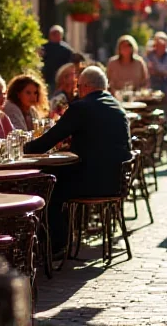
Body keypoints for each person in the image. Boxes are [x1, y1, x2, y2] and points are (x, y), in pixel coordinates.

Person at [23, 67, 131, 255]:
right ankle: (64, 238)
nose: (77, 91)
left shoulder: (82, 107)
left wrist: (24, 150)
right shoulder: (117, 106)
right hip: (116, 182)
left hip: (92, 183)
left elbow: (51, 138)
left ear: (85, 87)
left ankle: (57, 245)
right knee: (59, 178)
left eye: (78, 87)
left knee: (48, 185)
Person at [146, 31, 167, 135]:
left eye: (164, 43)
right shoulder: (149, 56)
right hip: (152, 94)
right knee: (152, 118)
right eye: (159, 44)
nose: (161, 46)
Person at [42, 25, 75, 94]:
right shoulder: (44, 48)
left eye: (57, 34)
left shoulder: (66, 50)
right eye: (53, 34)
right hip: (48, 77)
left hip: (62, 79)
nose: (55, 36)